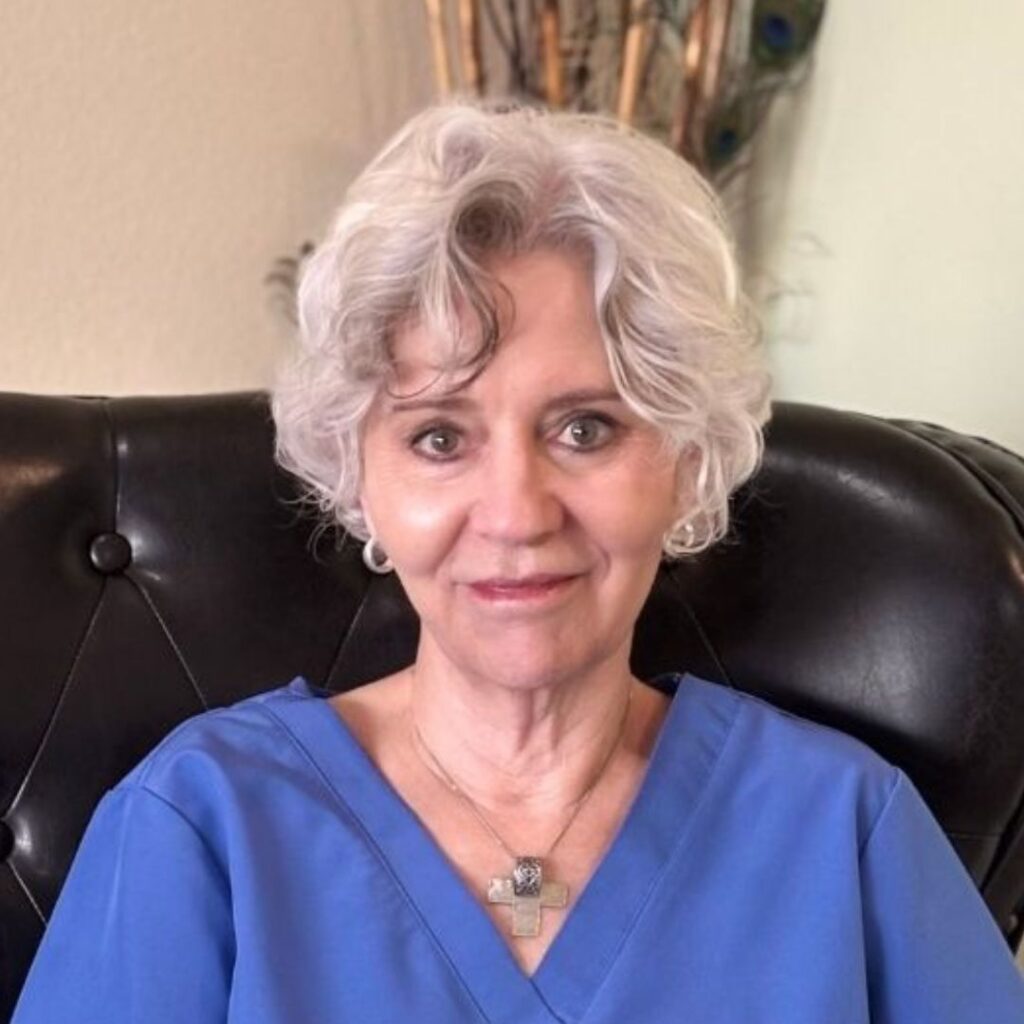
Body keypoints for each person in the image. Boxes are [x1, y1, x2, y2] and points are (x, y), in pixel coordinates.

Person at [12, 100, 1024, 1023]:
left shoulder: (842, 831)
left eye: (585, 429)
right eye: (439, 438)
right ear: (359, 479)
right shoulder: (201, 824)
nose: (515, 513)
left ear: (685, 461)